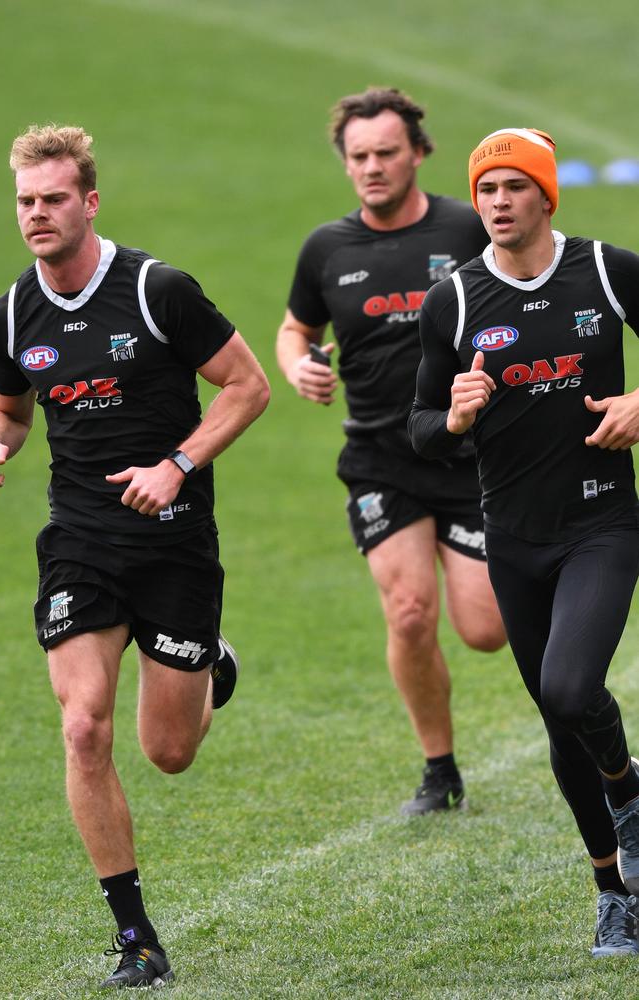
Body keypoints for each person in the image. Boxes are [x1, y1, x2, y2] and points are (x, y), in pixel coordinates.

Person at [0, 125, 270, 988]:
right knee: (82, 727)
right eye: (26, 201)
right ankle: (136, 938)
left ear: (90, 202)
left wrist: (177, 465)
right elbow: (10, 411)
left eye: (54, 199)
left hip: (175, 543)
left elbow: (248, 387)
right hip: (78, 540)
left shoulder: (157, 290)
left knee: (170, 752)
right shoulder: (10, 314)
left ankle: (208, 657)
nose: (37, 215)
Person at [409, 126, 639, 956]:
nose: (497, 204)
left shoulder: (609, 270)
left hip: (602, 524)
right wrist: (458, 416)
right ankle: (613, 891)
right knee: (557, 722)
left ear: (547, 195)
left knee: (574, 688)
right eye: (485, 191)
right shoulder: (456, 300)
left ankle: (630, 793)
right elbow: (421, 425)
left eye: (513, 188)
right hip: (512, 536)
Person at [276, 87, 506, 816]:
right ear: (345, 164)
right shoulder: (327, 248)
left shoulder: (469, 229)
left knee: (485, 629)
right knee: (409, 613)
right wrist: (299, 364)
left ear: (418, 153)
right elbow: (294, 328)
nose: (372, 167)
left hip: (470, 456)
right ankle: (439, 772)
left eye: (385, 153)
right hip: (379, 456)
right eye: (358, 157)